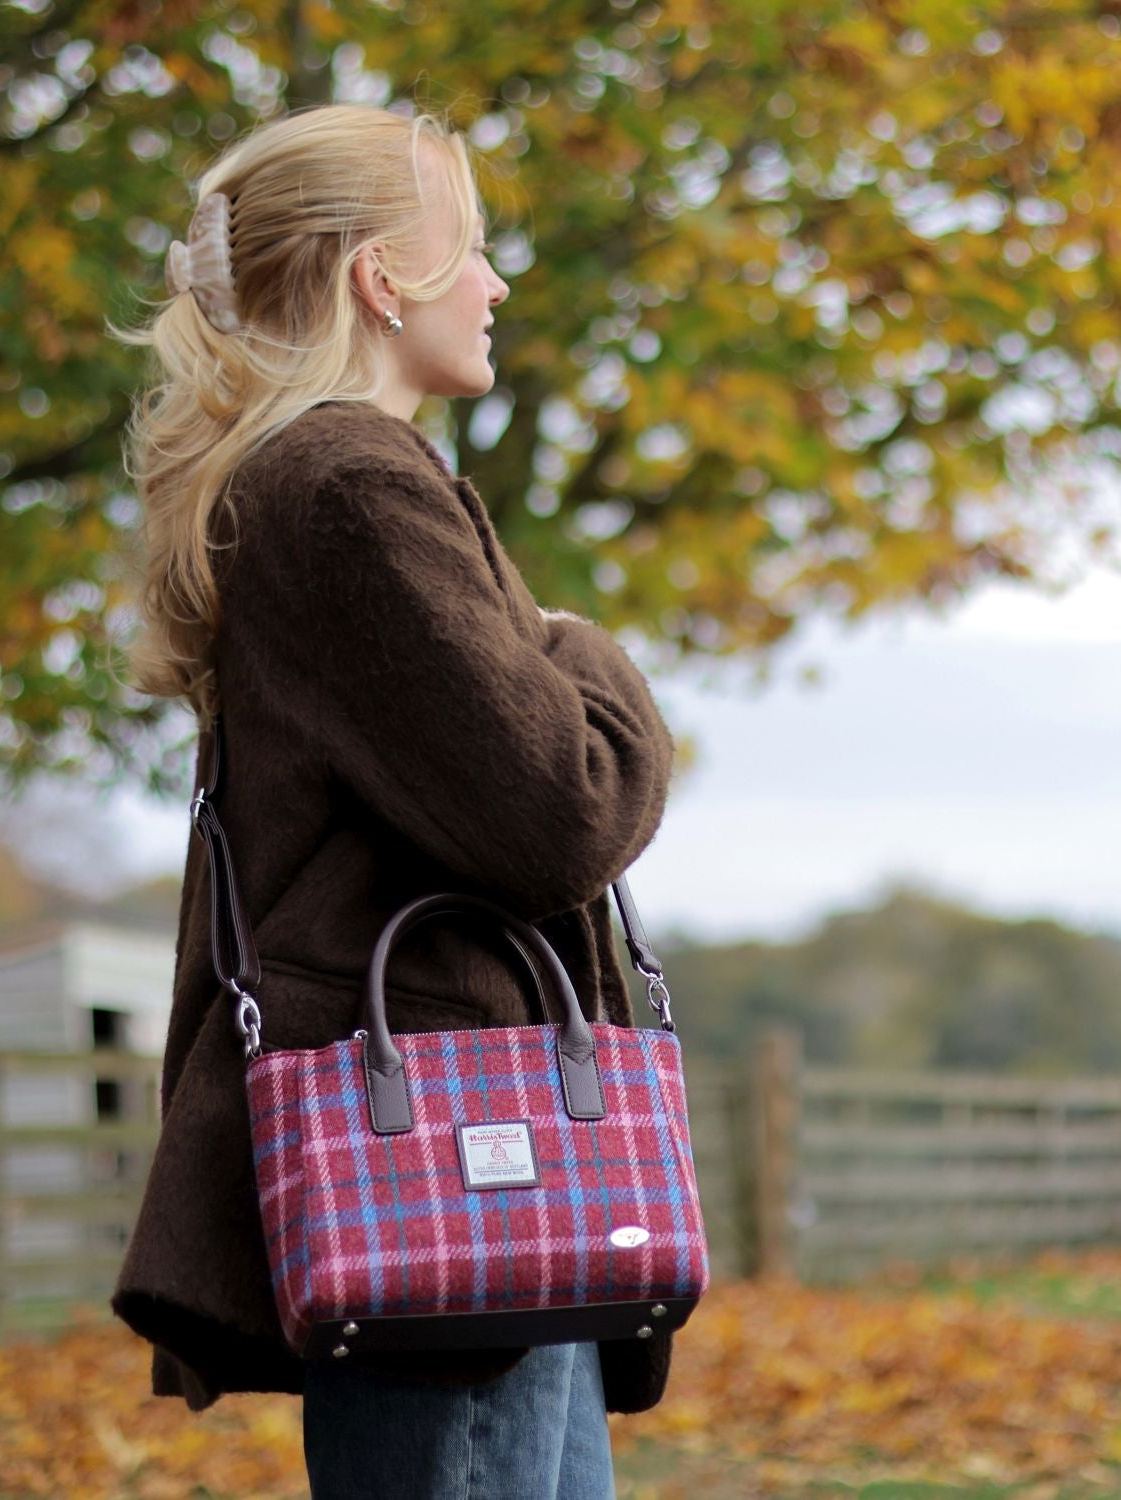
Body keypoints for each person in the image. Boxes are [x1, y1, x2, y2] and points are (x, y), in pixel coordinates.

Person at [108, 101, 678, 1499]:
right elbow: (559, 814)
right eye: (471, 248)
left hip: (469, 1152)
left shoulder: (328, 478)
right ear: (382, 276)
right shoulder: (347, 484)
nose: (496, 284)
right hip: (460, 1164)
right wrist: (580, 642)